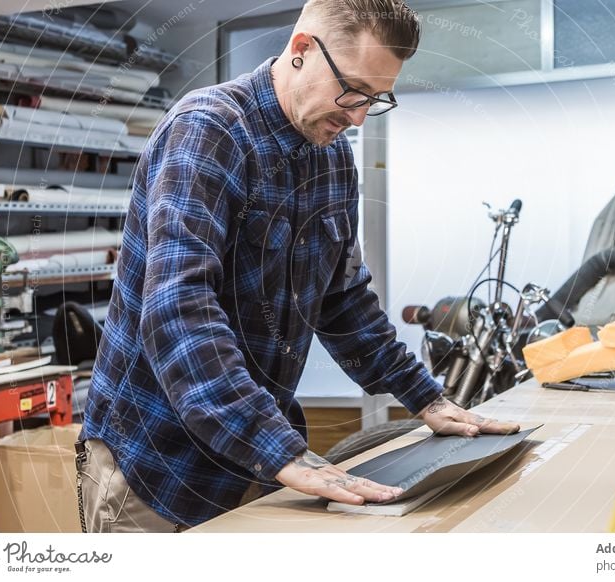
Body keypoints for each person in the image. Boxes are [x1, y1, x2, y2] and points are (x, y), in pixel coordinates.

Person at [76, 0, 520, 533]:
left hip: (253, 459)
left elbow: (343, 299)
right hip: (157, 463)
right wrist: (279, 449)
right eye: (353, 90)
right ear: (302, 50)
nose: (358, 115)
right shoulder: (209, 132)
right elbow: (178, 310)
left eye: (376, 99)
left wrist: (426, 398)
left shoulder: (332, 158)